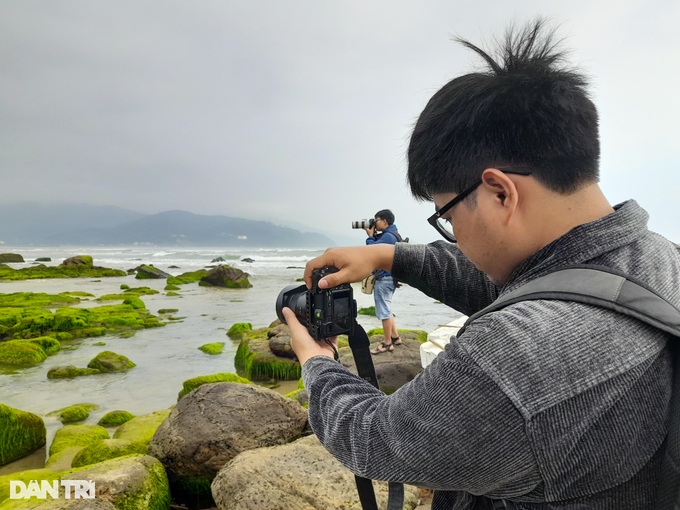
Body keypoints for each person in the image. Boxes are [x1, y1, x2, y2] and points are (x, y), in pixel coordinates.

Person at [282, 19, 680, 509]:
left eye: (446, 215)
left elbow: (375, 440)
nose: (454, 236)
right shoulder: (659, 260)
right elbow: (541, 286)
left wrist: (317, 363)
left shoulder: (510, 356)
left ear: (498, 191)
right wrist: (388, 256)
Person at [364, 209, 401, 354]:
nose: (374, 223)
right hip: (390, 277)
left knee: (383, 311)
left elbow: (372, 251)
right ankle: (395, 337)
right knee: (386, 308)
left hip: (384, 278)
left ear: (385, 221)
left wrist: (369, 236)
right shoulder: (392, 234)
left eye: (376, 220)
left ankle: (387, 343)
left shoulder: (388, 237)